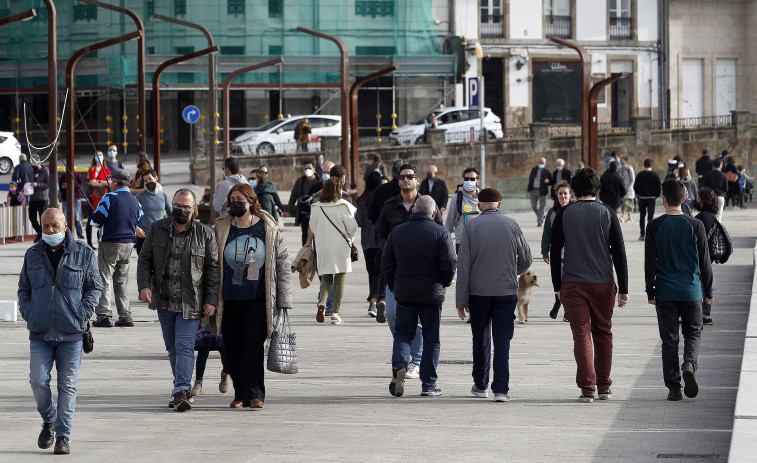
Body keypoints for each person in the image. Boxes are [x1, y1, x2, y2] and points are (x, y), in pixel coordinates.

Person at [18, 208, 103, 455]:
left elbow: (95, 287)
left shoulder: (84, 254)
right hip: (40, 332)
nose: (50, 231)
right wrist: (29, 312)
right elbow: (24, 290)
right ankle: (49, 419)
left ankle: (63, 435)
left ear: (65, 226)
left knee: (67, 386)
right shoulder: (32, 254)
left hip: (71, 333)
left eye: (55, 225)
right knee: (38, 381)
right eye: (45, 227)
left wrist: (83, 312)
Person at [550, 168, 629, 403]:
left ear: (574, 190)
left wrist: (557, 285)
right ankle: (604, 386)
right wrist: (623, 288)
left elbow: (555, 253)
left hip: (573, 283)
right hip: (603, 282)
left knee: (581, 335)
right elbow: (620, 253)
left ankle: (587, 388)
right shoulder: (607, 212)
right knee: (603, 332)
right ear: (597, 189)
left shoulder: (564, 214)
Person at [137, 189, 219, 411]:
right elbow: (144, 261)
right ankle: (180, 389)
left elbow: (213, 270)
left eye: (186, 207)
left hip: (191, 301)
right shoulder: (157, 228)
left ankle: (181, 390)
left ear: (194, 209)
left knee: (184, 346)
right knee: (172, 348)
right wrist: (144, 286)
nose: (181, 210)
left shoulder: (205, 234)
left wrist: (211, 300)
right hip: (163, 300)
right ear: (171, 205)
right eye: (177, 205)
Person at [214, 183, 292, 409]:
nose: (236, 203)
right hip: (228, 298)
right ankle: (239, 393)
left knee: (252, 347)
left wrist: (284, 298)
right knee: (232, 348)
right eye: (233, 199)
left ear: (251, 201)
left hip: (258, 298)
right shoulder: (220, 228)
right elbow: (211, 263)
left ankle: (255, 393)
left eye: (241, 199)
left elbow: (283, 265)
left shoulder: (268, 228)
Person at [456, 188, 531, 402]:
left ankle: (480, 385)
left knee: (480, 338)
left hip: (478, 293)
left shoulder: (471, 226)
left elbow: (463, 266)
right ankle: (501, 389)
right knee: (502, 340)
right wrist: (510, 269)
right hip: (506, 292)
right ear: (500, 204)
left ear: (479, 205)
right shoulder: (512, 224)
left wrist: (461, 301)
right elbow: (526, 259)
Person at [645, 179, 713, 401]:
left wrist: (650, 291)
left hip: (665, 291)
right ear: (685, 199)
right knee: (693, 332)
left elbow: (650, 264)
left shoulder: (654, 226)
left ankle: (674, 388)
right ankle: (690, 364)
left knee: (670, 340)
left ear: (663, 200)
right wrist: (709, 292)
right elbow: (705, 263)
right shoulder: (696, 225)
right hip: (692, 291)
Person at [382, 195, 456, 397]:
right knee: (431, 339)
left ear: (413, 210)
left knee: (403, 334)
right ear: (434, 213)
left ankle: (399, 366)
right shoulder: (441, 233)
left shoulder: (398, 232)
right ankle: (429, 385)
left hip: (405, 293)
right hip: (431, 295)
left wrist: (394, 285)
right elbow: (449, 263)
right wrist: (445, 282)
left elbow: (386, 263)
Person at [377, 164, 443, 379]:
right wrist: (392, 250)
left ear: (417, 180)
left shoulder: (428, 204)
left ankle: (414, 361)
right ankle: (403, 351)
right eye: (402, 177)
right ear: (398, 181)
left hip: (424, 273)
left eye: (410, 177)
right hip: (398, 271)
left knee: (420, 321)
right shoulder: (389, 207)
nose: (406, 180)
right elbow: (381, 235)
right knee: (393, 315)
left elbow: (440, 234)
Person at [90, 169, 143, 328]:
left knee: (105, 280)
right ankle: (125, 315)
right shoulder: (135, 200)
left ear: (114, 182)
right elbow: (139, 217)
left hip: (110, 244)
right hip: (128, 245)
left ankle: (104, 315)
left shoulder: (109, 198)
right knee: (121, 281)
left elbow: (95, 221)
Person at [306, 177, 358, 325]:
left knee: (326, 278)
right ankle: (335, 313)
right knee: (340, 278)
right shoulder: (343, 206)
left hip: (323, 247)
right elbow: (353, 227)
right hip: (341, 246)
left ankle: (322, 301)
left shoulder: (316, 207)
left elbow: (312, 227)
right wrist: (350, 238)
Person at [541, 181, 572, 321]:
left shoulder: (574, 210)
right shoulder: (552, 212)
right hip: (556, 253)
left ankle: (567, 309)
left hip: (572, 253)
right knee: (557, 280)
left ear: (570, 195)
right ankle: (558, 301)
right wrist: (544, 251)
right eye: (560, 193)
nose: (563, 196)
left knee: (569, 281)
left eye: (566, 193)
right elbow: (547, 232)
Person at [355, 171, 384, 317]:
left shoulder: (361, 200)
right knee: (379, 270)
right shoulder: (382, 199)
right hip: (379, 238)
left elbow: (358, 221)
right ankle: (376, 297)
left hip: (366, 240)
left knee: (371, 270)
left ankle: (373, 294)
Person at [694, 187, 719, 325]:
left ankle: (701, 313)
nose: (696, 199)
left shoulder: (700, 218)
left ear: (702, 200)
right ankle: (706, 314)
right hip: (709, 253)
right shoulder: (712, 217)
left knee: (699, 283)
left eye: (698, 197)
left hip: (699, 254)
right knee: (705, 281)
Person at [134, 169, 172, 255]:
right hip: (143, 237)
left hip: (160, 237)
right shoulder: (139, 196)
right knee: (143, 266)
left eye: (150, 179)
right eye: (145, 181)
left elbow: (171, 215)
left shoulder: (164, 196)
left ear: (156, 178)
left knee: (159, 265)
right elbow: (130, 215)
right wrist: (136, 228)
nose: (148, 182)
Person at [285, 159, 322, 245]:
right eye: (305, 169)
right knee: (305, 237)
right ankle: (305, 256)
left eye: (309, 168)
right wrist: (288, 210)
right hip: (304, 213)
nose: (307, 170)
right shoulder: (301, 181)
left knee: (317, 237)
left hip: (317, 212)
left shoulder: (319, 181)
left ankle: (316, 256)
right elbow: (293, 195)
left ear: (314, 169)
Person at [445, 167, 481, 254]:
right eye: (466, 179)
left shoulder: (484, 197)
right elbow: (450, 221)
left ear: (478, 181)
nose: (469, 181)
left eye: (472, 179)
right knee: (463, 267)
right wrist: (444, 240)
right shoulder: (457, 198)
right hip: (462, 241)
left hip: (481, 240)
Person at [633, 158, 662, 241]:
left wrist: (638, 194)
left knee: (642, 216)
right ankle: (650, 234)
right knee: (650, 217)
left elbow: (635, 187)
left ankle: (642, 234)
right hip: (651, 198)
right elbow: (659, 187)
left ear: (644, 165)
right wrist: (656, 195)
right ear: (652, 166)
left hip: (641, 198)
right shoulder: (655, 175)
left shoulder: (640, 175)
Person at [87, 152, 111, 249]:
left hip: (104, 196)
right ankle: (89, 243)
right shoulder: (91, 169)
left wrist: (99, 182)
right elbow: (92, 183)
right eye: (96, 155)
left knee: (104, 220)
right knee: (90, 220)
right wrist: (102, 183)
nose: (98, 157)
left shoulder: (106, 170)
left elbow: (109, 183)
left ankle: (102, 240)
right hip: (93, 196)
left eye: (100, 155)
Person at [28, 160, 50, 243]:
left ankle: (43, 235)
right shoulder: (32, 171)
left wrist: (37, 185)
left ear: (39, 163)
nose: (33, 166)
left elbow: (48, 184)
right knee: (31, 217)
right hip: (33, 197)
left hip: (42, 198)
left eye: (35, 164)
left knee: (42, 217)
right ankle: (40, 232)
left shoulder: (45, 171)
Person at [59, 171, 85, 239]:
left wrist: (70, 185)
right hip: (66, 198)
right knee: (65, 217)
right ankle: (65, 233)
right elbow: (60, 187)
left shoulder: (78, 175)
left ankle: (80, 233)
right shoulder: (63, 176)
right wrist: (63, 187)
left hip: (76, 198)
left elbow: (80, 186)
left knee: (77, 217)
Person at [527, 157, 552, 226]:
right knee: (533, 205)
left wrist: (548, 181)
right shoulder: (534, 169)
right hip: (533, 190)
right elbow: (530, 179)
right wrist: (529, 188)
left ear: (545, 164)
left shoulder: (546, 171)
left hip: (542, 191)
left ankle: (539, 221)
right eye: (540, 162)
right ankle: (540, 216)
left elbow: (551, 181)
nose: (541, 164)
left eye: (542, 163)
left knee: (542, 206)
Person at [618, 156, 635, 222]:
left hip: (628, 189)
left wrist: (629, 187)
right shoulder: (619, 169)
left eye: (622, 160)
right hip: (622, 189)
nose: (621, 162)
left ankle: (622, 216)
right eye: (620, 160)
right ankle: (630, 217)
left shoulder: (629, 169)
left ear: (626, 161)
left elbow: (632, 179)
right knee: (625, 203)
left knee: (626, 203)